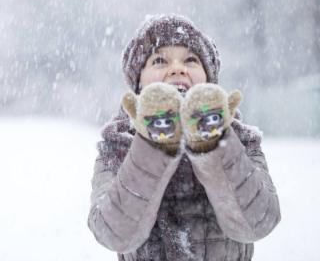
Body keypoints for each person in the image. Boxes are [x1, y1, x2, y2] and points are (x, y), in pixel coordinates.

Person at [87, 14, 281, 261]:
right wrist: (153, 140)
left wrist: (213, 141)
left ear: (208, 79)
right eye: (159, 60)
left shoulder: (240, 139)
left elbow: (259, 222)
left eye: (191, 60)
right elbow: (113, 234)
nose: (177, 68)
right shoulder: (118, 146)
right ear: (138, 85)